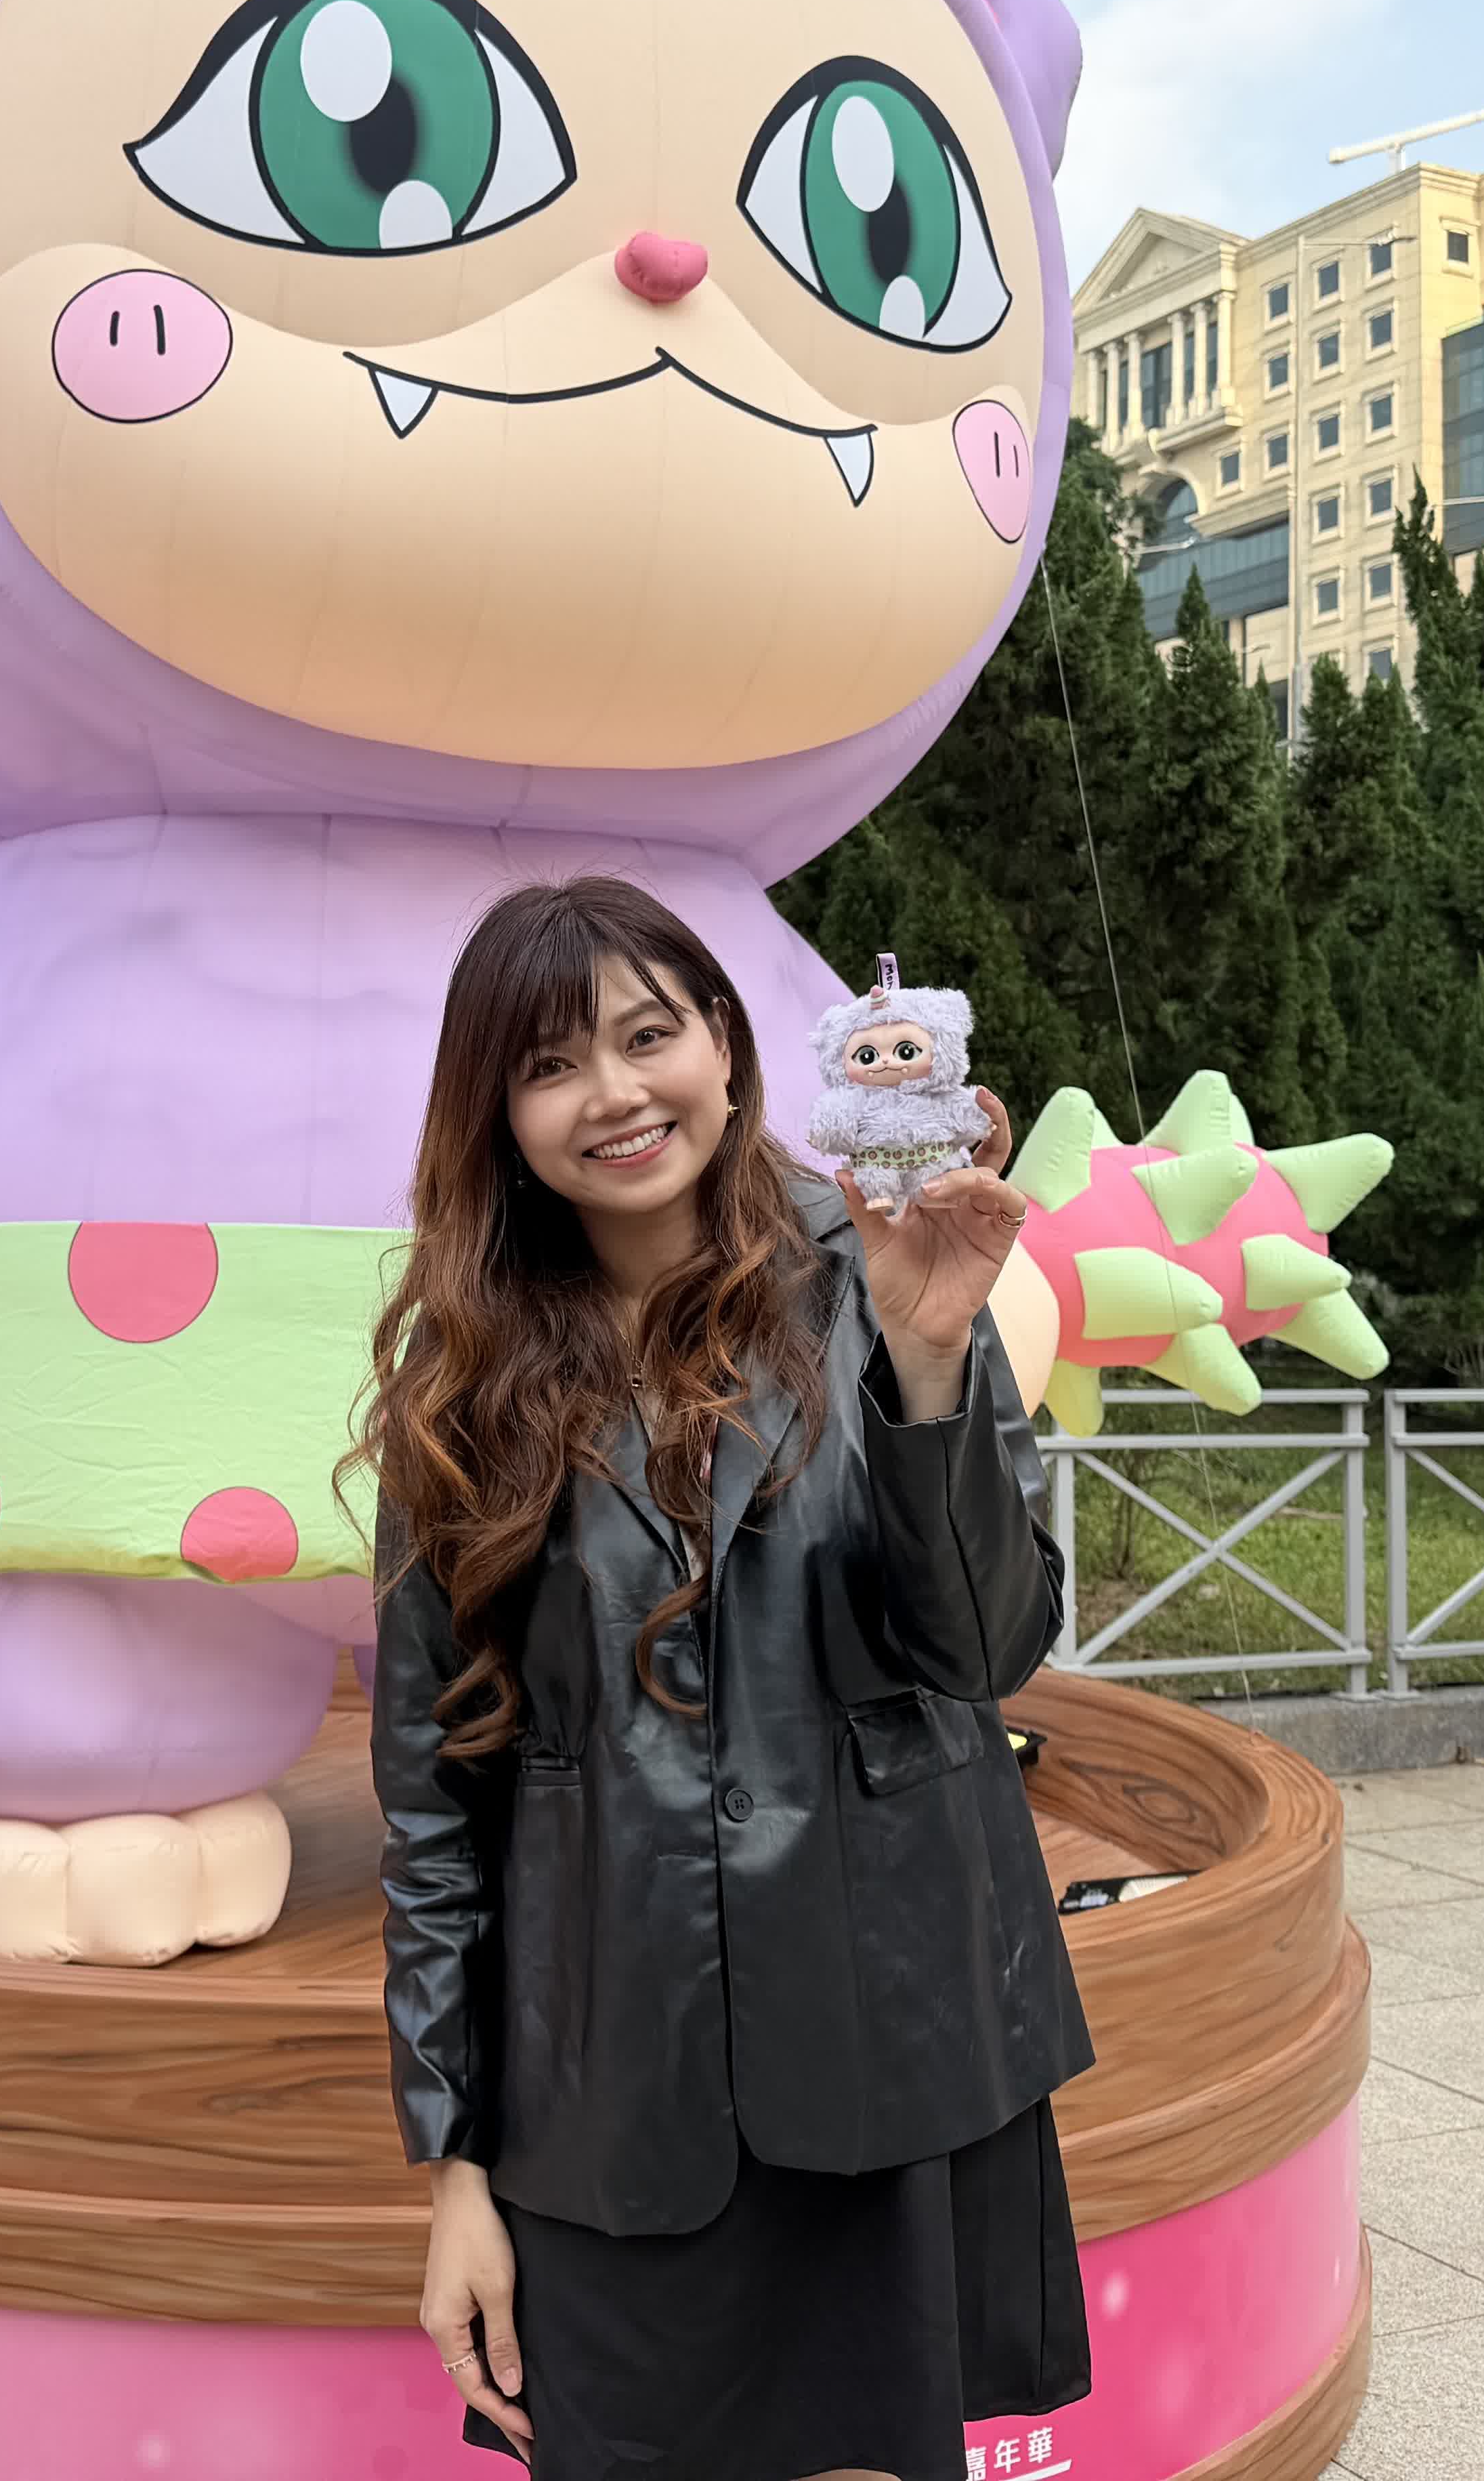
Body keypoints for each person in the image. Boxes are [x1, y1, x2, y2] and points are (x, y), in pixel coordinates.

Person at [363, 877, 1095, 2480]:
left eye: (648, 1036)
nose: (614, 1094)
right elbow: (435, 1809)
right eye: (550, 1065)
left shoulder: (886, 1263)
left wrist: (925, 1365)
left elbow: (985, 1653)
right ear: (499, 1113)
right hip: (606, 2088)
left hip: (885, 2027)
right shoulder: (463, 1378)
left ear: (723, 1040)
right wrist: (456, 2168)